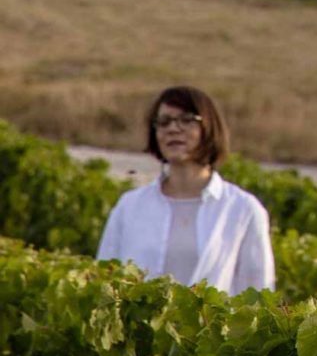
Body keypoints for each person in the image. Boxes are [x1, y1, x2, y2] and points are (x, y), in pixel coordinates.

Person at [95, 85, 275, 293]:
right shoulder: (129, 207)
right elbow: (105, 283)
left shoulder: (242, 209)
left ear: (208, 128)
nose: (173, 129)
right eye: (164, 122)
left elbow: (258, 293)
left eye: (187, 120)